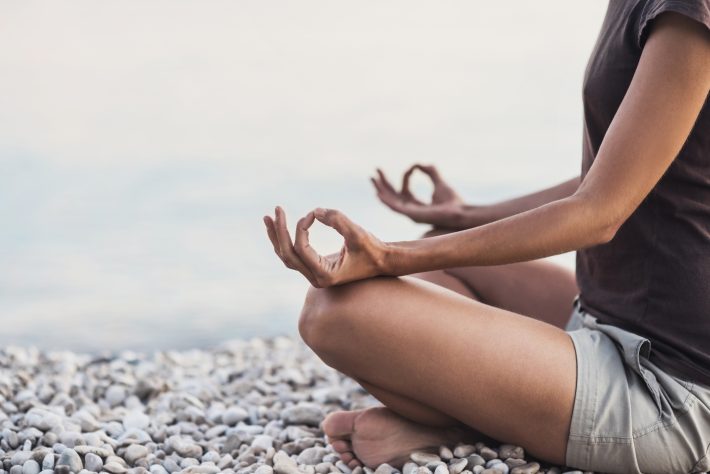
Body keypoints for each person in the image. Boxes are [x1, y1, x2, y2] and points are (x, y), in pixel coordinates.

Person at [263, 1, 710, 472]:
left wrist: (388, 257)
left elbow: (600, 213)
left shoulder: (687, 12)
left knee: (331, 312)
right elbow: (608, 179)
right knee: (443, 251)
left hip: (668, 387)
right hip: (605, 315)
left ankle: (467, 426)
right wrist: (463, 214)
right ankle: (490, 419)